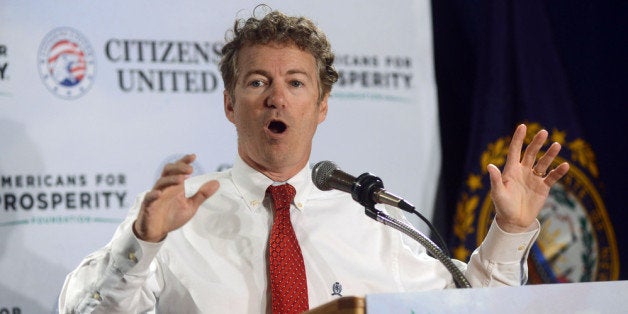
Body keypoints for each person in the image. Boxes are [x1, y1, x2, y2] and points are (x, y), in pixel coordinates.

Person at [58, 7, 569, 313]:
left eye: (295, 83)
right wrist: (144, 242)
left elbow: (474, 305)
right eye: (258, 82)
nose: (277, 97)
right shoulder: (175, 221)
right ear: (230, 104)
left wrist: (510, 229)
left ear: (321, 106)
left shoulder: (370, 221)